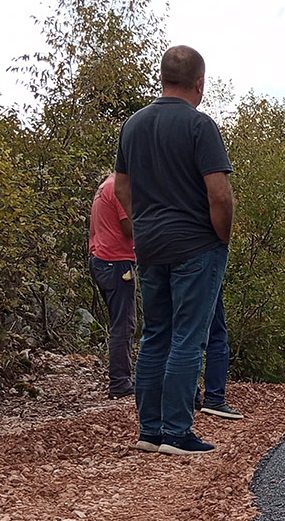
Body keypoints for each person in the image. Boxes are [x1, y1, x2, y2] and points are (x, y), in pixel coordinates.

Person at [114, 45, 234, 456]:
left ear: (162, 77)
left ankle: (150, 431)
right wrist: (221, 238)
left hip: (150, 246)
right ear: (199, 84)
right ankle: (178, 433)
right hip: (196, 245)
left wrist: (144, 223)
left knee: (154, 335)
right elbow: (219, 194)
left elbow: (121, 188)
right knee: (188, 338)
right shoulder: (200, 127)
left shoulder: (133, 126)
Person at [87, 173, 137, 399]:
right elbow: (129, 228)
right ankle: (120, 382)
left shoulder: (106, 184)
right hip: (115, 261)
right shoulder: (120, 189)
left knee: (119, 321)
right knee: (123, 323)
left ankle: (121, 379)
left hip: (100, 258)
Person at [197, 289, 242, 419]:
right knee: (217, 336)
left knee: (184, 334)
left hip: (171, 276)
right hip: (203, 275)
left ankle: (189, 395)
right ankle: (214, 398)